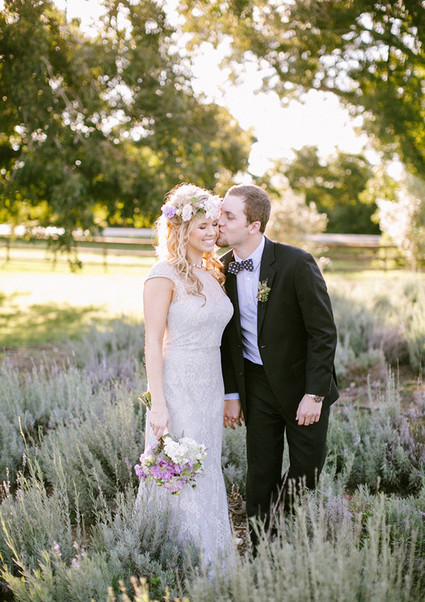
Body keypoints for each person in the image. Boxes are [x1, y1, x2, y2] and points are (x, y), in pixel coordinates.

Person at [218, 184, 339, 548]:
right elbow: (225, 341)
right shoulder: (220, 270)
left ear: (253, 225)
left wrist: (314, 394)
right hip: (255, 384)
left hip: (302, 384)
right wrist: (232, 393)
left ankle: (277, 529)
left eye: (229, 216)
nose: (219, 222)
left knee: (307, 471)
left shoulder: (296, 263)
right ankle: (260, 549)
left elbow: (323, 332)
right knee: (261, 471)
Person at [136, 183, 234, 567]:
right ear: (181, 229)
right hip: (177, 385)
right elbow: (152, 342)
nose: (212, 233)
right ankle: (172, 559)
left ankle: (211, 556)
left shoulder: (212, 272)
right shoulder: (163, 275)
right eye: (202, 227)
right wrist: (158, 404)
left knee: (204, 466)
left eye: (214, 225)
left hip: (211, 384)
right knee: (178, 468)